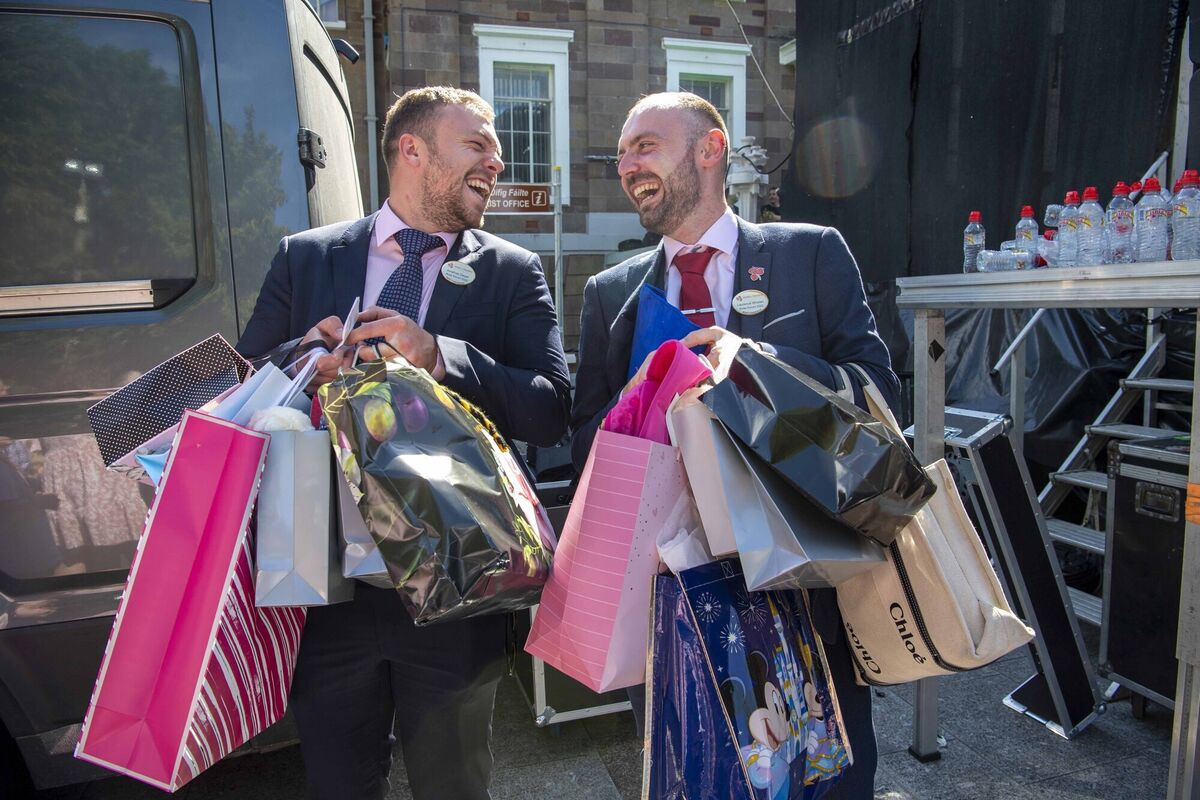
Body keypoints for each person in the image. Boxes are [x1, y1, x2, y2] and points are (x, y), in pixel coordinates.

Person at [237, 86, 571, 800]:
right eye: (477, 144)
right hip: (326, 594)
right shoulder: (305, 258)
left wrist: (442, 356)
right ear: (412, 150)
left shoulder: (511, 271)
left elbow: (552, 410)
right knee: (338, 785)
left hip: (456, 594)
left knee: (454, 788)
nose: (497, 161)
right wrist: (302, 361)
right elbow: (243, 395)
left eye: (497, 151)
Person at [569, 91, 897, 798]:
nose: (626, 164)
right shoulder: (609, 292)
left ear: (710, 148)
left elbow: (876, 391)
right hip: (672, 599)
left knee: (828, 781)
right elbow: (587, 440)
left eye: (645, 144)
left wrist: (754, 365)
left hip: (802, 583)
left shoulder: (810, 254)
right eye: (623, 152)